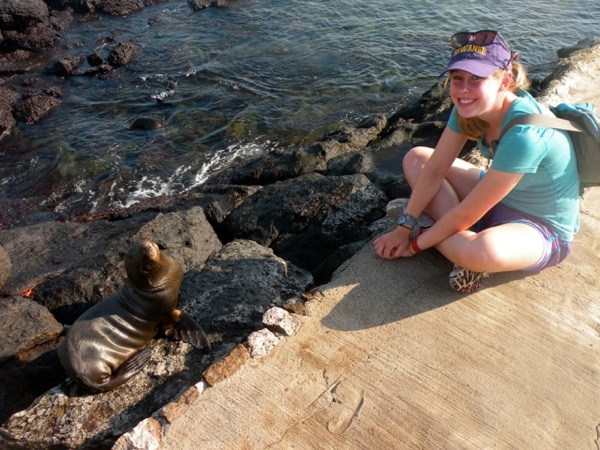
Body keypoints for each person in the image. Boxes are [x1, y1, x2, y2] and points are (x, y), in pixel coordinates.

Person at [373, 30, 580, 293]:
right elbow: (436, 167)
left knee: (480, 252)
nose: (463, 90)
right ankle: (444, 233)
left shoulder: (525, 135)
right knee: (417, 159)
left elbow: (468, 212)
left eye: (477, 78)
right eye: (457, 78)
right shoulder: (469, 109)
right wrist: (403, 227)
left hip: (539, 228)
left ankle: (436, 231)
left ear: (505, 81)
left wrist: (414, 244)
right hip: (497, 198)